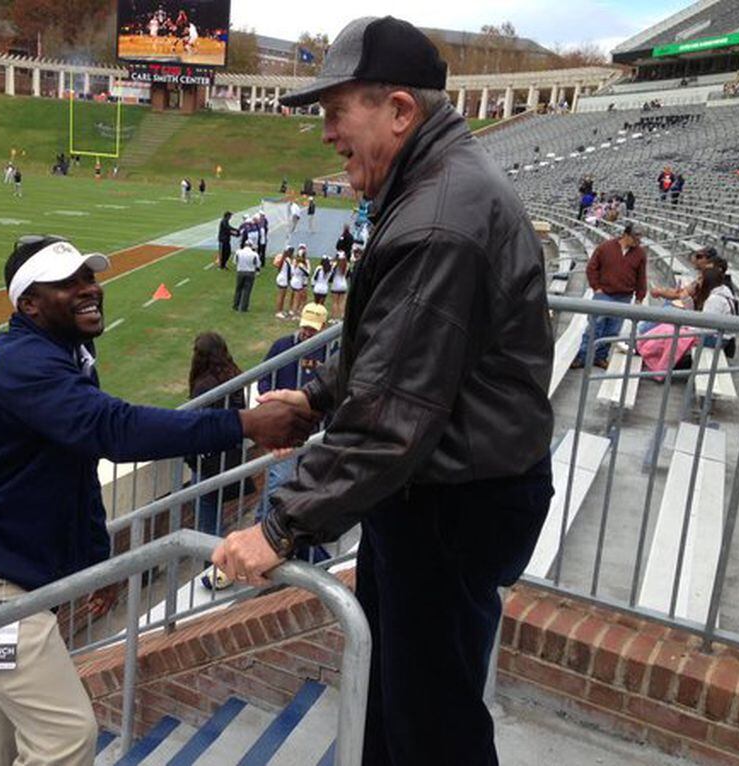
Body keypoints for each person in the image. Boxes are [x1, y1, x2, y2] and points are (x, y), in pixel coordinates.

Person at [211, 17, 554, 766]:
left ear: (399, 110)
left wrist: (278, 527)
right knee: (395, 702)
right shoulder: (438, 187)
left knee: (431, 724)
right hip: (450, 491)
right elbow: (401, 348)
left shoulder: (439, 214)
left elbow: (393, 422)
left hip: (452, 501)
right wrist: (317, 399)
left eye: (338, 113)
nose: (327, 135)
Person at [0, 235, 315, 766]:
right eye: (68, 284)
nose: (89, 290)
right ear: (28, 303)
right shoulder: (24, 363)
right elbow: (112, 428)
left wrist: (92, 561)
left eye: (89, 277)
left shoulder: (66, 348)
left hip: (1, 574)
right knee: (66, 736)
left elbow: (74, 470)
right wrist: (242, 423)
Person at [256, 302, 330, 565]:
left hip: (314, 432)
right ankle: (263, 530)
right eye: (305, 327)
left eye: (313, 329)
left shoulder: (330, 350)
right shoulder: (283, 345)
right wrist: (270, 401)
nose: (307, 333)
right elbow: (264, 376)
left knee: (304, 482)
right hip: (284, 428)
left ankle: (274, 528)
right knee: (280, 479)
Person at [186, 332, 255, 590]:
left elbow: (198, 423)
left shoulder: (205, 384)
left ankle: (215, 572)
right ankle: (221, 568)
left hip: (209, 460)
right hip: (229, 455)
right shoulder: (233, 376)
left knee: (207, 521)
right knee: (214, 518)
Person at [572, 223, 647, 370]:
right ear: (626, 235)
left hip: (624, 296)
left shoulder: (640, 253)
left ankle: (600, 357)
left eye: (639, 239)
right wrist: (596, 287)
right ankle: (582, 356)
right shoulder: (605, 247)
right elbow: (592, 268)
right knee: (594, 326)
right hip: (604, 293)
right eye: (635, 238)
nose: (638, 242)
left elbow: (641, 277)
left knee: (612, 330)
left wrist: (640, 297)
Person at [232, 241, 261, 312]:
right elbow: (258, 264)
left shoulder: (238, 252)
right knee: (247, 290)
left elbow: (235, 262)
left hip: (240, 272)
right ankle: (244, 307)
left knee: (238, 289)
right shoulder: (254, 254)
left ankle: (235, 305)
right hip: (250, 273)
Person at [288, 248, 310, 317]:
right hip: (298, 282)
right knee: (296, 299)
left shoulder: (294, 262)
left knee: (293, 296)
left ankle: (291, 310)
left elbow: (291, 272)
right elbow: (307, 273)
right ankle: (295, 313)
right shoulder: (301, 265)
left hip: (293, 280)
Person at [273, 246, 293, 318]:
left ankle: (281, 310)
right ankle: (278, 311)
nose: (292, 253)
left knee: (283, 296)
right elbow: (279, 267)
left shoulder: (288, 259)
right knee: (281, 295)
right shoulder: (283, 259)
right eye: (290, 251)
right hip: (282, 278)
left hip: (285, 279)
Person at [329, 253, 350, 321]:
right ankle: (341, 317)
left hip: (336, 284)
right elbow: (347, 275)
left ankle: (334, 318)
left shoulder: (335, 265)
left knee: (335, 302)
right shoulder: (347, 265)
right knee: (342, 302)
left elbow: (331, 272)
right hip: (343, 284)